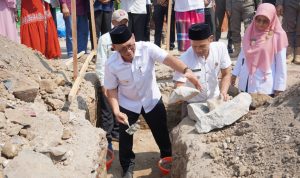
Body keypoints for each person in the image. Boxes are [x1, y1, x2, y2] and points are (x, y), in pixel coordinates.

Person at [104, 25, 201, 178]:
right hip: (128, 106)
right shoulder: (111, 64)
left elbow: (169, 60)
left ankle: (167, 158)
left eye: (130, 46)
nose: (129, 51)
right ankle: (127, 166)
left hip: (152, 101)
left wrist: (186, 71)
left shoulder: (147, 49)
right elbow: (111, 90)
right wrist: (117, 111)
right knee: (127, 135)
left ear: (134, 38)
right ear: (114, 48)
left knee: (160, 131)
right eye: (123, 49)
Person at [173, 23, 231, 117]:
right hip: (192, 105)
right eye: (194, 46)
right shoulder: (184, 58)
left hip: (214, 101)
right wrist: (180, 89)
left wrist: (223, 92)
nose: (198, 50)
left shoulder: (220, 48)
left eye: (202, 46)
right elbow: (179, 85)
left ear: (211, 39)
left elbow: (226, 74)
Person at [231, 3, 288, 96]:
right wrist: (234, 74)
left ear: (272, 19)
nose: (260, 24)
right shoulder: (250, 31)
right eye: (258, 20)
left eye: (265, 21)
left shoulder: (278, 36)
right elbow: (243, 54)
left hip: (264, 86)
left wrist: (279, 88)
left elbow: (281, 64)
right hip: (245, 83)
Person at [95, 9, 129, 151]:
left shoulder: (129, 36)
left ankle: (116, 133)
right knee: (108, 110)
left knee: (121, 108)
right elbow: (101, 62)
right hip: (110, 80)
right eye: (119, 22)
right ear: (113, 22)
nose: (122, 25)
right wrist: (103, 83)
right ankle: (107, 138)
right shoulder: (105, 39)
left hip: (123, 80)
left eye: (125, 22)